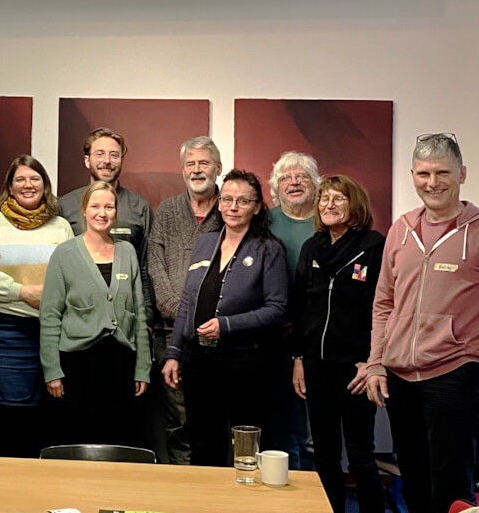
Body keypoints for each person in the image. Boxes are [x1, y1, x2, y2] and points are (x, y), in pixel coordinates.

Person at [367, 133, 479, 513]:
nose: (433, 183)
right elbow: (383, 302)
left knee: (451, 483)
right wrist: (376, 363)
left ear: (461, 173)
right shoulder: (400, 230)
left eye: (443, 172)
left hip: (454, 373)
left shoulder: (476, 231)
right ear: (413, 175)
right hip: (400, 375)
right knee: (412, 476)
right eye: (424, 174)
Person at [162, 169, 288, 466]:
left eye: (243, 201)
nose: (233, 207)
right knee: (203, 441)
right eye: (228, 199)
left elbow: (278, 309)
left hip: (246, 362)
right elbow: (188, 303)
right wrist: (174, 353)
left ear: (257, 207)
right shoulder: (205, 242)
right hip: (198, 361)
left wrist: (227, 326)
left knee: (247, 444)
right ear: (219, 203)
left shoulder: (269, 249)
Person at [0, 155, 73, 457]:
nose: (28, 185)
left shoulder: (61, 226)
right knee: (6, 419)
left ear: (45, 185)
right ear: (10, 187)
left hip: (53, 336)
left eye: (35, 179)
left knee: (47, 420)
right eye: (20, 180)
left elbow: (72, 277)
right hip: (4, 335)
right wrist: (22, 291)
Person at [291, 175, 385, 513]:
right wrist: (298, 358)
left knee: (361, 456)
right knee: (324, 454)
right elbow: (299, 307)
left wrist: (373, 361)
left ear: (354, 204)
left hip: (356, 368)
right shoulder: (311, 247)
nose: (329, 205)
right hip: (316, 366)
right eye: (324, 199)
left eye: (338, 198)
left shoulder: (374, 246)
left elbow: (384, 306)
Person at [40, 181, 150, 446]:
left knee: (116, 439)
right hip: (76, 364)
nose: (103, 213)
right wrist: (52, 370)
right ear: (84, 210)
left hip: (120, 363)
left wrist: (143, 369)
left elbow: (139, 313)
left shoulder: (127, 252)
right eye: (96, 206)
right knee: (77, 438)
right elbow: (50, 315)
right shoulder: (64, 254)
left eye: (109, 207)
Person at [148, 135, 221, 464]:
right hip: (171, 336)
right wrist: (179, 314)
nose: (196, 170)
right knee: (180, 422)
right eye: (190, 164)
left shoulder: (231, 209)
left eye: (203, 163)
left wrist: (210, 318)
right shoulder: (167, 211)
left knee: (218, 420)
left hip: (218, 337)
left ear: (218, 168)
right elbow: (155, 267)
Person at [58, 127, 155, 326]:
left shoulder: (140, 207)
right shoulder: (65, 206)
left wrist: (148, 319)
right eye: (99, 154)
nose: (107, 161)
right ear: (87, 160)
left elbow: (146, 267)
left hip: (126, 316)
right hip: (77, 315)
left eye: (114, 155)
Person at [267, 150, 321, 470]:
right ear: (276, 187)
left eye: (301, 176)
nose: (294, 182)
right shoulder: (265, 222)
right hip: (273, 335)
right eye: (286, 177)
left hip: (317, 337)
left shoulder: (327, 220)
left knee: (314, 428)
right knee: (278, 425)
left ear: (315, 184)